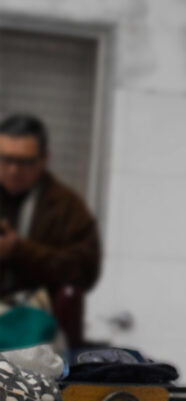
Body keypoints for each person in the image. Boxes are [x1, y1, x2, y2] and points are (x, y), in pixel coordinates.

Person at [0, 114, 102, 343]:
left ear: (44, 158)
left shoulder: (66, 206)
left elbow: (86, 271)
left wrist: (19, 250)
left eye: (24, 162)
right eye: (5, 160)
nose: (14, 170)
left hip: (38, 325)